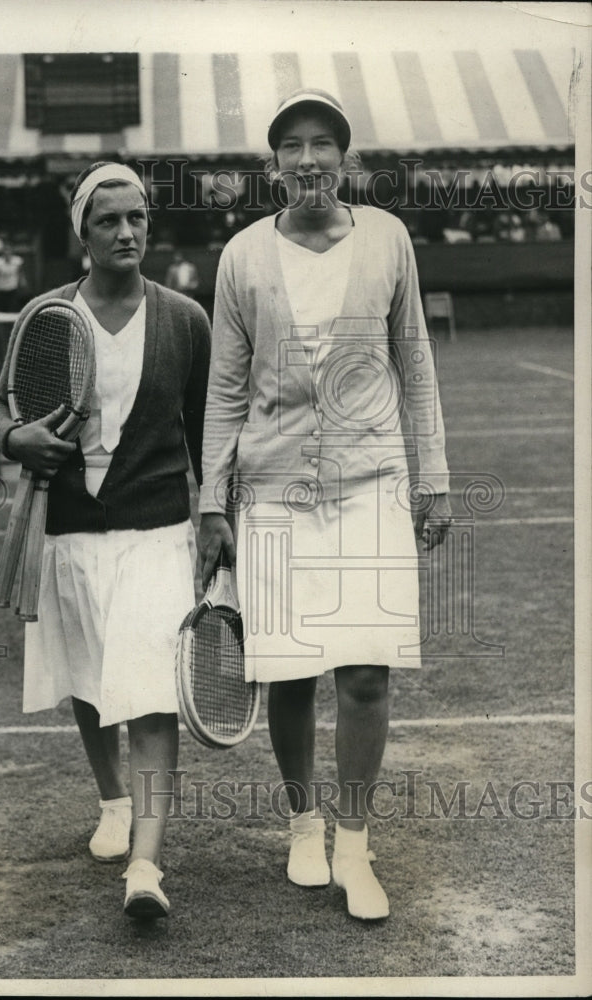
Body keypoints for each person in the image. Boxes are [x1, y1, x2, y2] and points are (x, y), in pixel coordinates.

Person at [198, 89, 452, 921]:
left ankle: (354, 844)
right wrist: (212, 502)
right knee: (291, 675)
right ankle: (302, 825)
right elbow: (225, 390)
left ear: (343, 158)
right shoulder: (240, 256)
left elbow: (413, 363)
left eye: (322, 144)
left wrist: (434, 477)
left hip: (370, 483)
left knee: (366, 676)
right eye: (290, 146)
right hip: (271, 491)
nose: (307, 160)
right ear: (273, 162)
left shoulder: (386, 238)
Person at [0, 162, 211, 919]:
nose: (126, 231)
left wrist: (220, 519)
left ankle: (145, 868)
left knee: (148, 698)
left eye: (137, 217)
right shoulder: (45, 315)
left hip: (157, 533)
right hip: (70, 533)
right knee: (87, 678)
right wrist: (18, 439)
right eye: (108, 219)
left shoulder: (185, 318)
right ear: (82, 232)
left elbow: (209, 435)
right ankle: (112, 800)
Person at [0, 242, 27, 312]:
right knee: (2, 308)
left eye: (9, 251)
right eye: (5, 251)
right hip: (0, 289)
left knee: (13, 307)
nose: (7, 253)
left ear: (11, 252)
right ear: (2, 253)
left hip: (12, 288)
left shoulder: (17, 260)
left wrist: (23, 282)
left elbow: (20, 272)